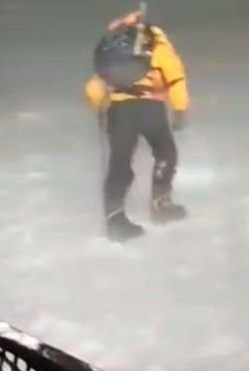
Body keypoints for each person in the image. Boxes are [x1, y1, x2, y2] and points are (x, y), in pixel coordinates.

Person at [85, 7, 191, 242]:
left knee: (119, 164)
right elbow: (175, 76)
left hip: (119, 112)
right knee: (165, 152)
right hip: (150, 108)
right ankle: (161, 203)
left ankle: (115, 218)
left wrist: (99, 105)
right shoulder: (157, 44)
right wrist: (180, 108)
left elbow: (96, 84)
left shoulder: (115, 45)